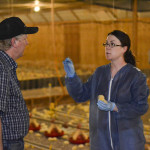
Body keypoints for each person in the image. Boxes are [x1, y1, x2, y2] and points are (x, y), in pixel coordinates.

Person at [63, 30, 149, 150]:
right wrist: (71, 77)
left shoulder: (135, 76)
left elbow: (141, 106)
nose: (107, 47)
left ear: (124, 48)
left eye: (112, 44)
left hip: (128, 142)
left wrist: (115, 107)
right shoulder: (100, 73)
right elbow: (81, 95)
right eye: (106, 44)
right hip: (101, 142)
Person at [0, 17, 38, 150]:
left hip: (11, 141)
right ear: (14, 42)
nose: (27, 43)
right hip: (7, 142)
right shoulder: (2, 68)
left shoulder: (6, 65)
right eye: (25, 39)